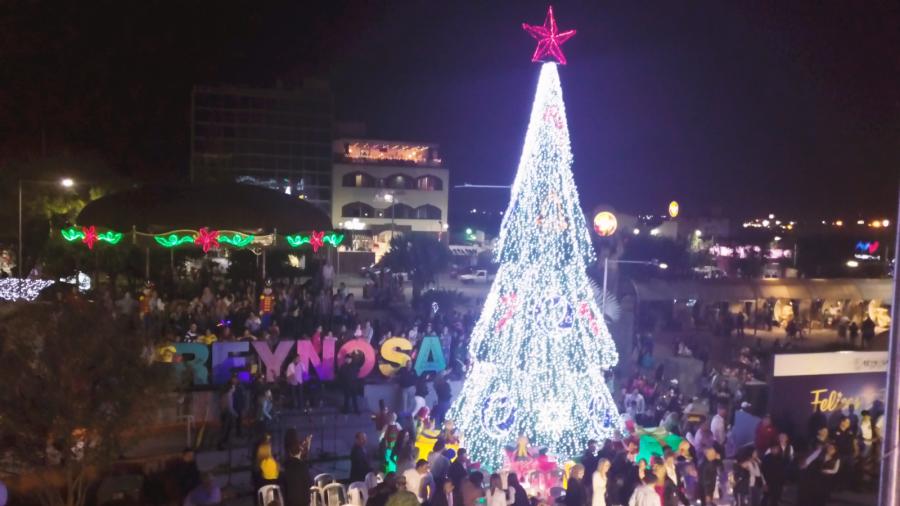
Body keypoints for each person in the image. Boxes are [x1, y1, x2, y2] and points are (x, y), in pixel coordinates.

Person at [282, 437, 313, 506]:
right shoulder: (302, 466)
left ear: (290, 452)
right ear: (299, 451)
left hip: (290, 503)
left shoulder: (286, 466)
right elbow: (309, 483)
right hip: (304, 502)